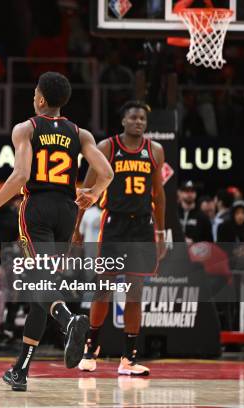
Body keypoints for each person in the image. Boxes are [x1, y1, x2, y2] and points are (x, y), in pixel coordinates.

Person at [0, 72, 113, 391]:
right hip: (67, 209)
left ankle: (69, 319)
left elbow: (20, 176)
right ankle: (21, 370)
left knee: (39, 282)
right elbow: (107, 172)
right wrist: (94, 192)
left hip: (38, 208)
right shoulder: (80, 132)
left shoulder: (26, 128)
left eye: (34, 92)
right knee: (41, 286)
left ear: (41, 98)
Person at [74, 100, 166, 376]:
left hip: (142, 228)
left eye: (142, 119)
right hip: (114, 225)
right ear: (124, 121)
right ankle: (91, 350)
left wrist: (160, 232)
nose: (139, 122)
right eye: (134, 117)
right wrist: (76, 228)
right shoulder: (107, 148)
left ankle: (129, 359)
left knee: (135, 293)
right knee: (104, 289)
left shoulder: (155, 151)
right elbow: (87, 190)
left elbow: (159, 195)